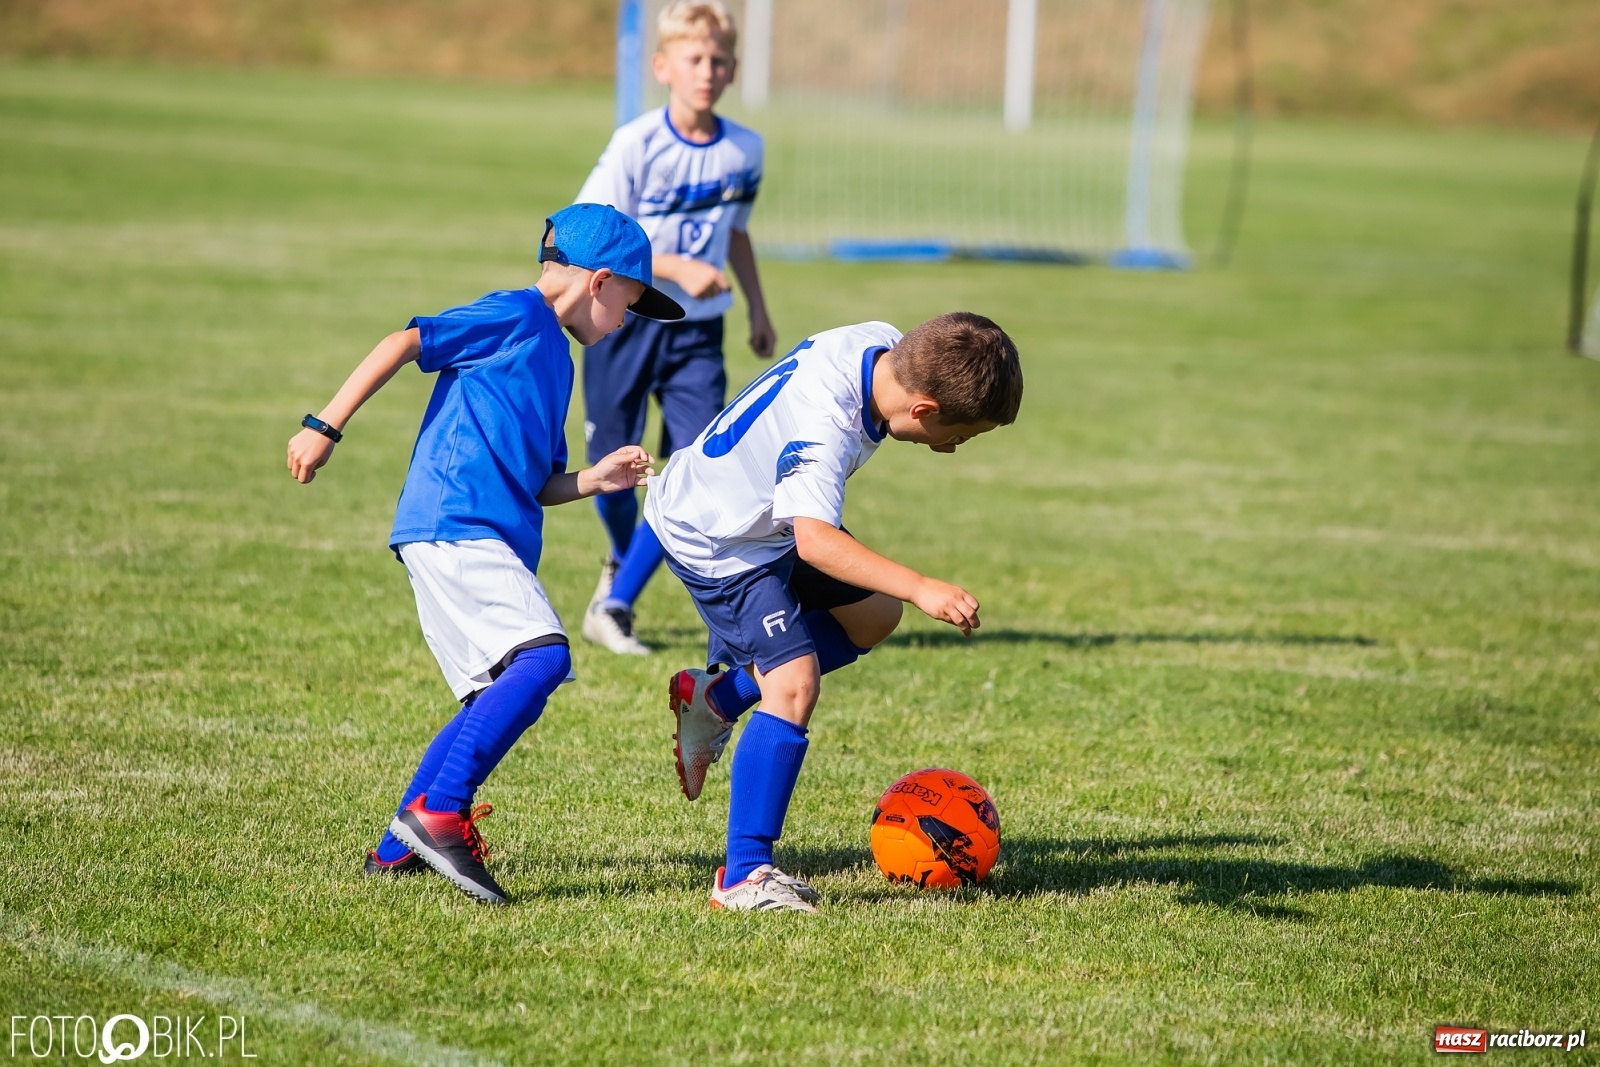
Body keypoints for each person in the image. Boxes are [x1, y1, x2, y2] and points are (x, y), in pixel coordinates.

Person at [285, 203, 685, 905]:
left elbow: (538, 481)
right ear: (598, 282)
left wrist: (594, 479)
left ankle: (396, 848)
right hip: (454, 520)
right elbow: (405, 341)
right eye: (631, 301)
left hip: (476, 532)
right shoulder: (516, 315)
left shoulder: (556, 362)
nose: (628, 320)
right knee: (544, 657)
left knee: (487, 692)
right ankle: (439, 813)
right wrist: (326, 425)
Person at [645, 312, 1024, 911]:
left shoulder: (882, 344)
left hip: (765, 514)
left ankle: (715, 700)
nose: (953, 449)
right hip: (720, 539)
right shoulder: (828, 431)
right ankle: (745, 874)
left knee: (873, 615)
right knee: (794, 686)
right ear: (923, 409)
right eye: (961, 435)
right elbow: (815, 542)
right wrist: (920, 585)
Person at [574, 0, 775, 655]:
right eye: (694, 58)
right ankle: (618, 554)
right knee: (617, 463)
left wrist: (758, 307)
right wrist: (678, 266)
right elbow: (593, 234)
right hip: (625, 324)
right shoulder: (636, 144)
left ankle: (615, 603)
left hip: (698, 337)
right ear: (663, 66)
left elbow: (737, 232)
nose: (707, 70)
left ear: (734, 68)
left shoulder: (745, 149)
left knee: (692, 472)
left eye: (719, 60)